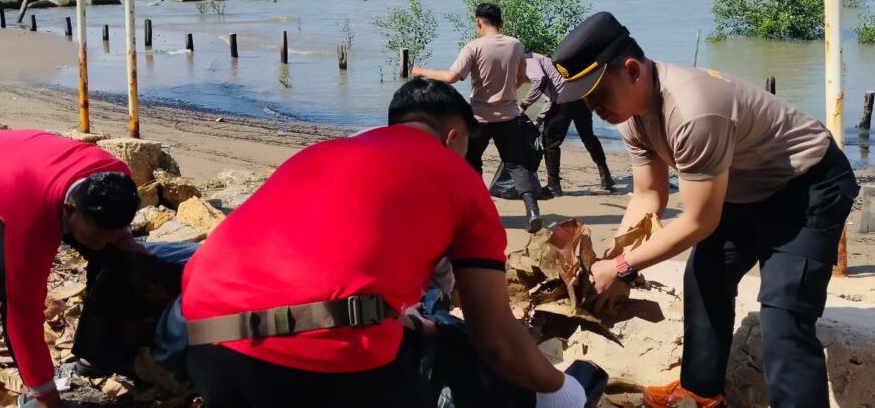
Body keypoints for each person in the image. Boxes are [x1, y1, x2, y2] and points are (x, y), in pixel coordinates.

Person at [180, 78, 586, 408]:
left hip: (204, 342)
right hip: (318, 364)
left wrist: (405, 322)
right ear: (453, 137)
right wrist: (562, 390)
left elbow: (321, 272)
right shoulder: (458, 178)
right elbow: (496, 337)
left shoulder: (321, 153)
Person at [550, 12, 860, 408]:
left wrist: (624, 267)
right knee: (704, 278)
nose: (592, 107)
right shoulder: (630, 117)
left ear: (631, 70)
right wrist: (612, 261)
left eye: (597, 93)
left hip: (809, 186)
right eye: (585, 98)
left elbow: (700, 220)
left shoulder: (693, 110)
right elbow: (648, 196)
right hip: (743, 188)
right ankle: (700, 393)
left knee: (784, 314)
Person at [0, 130, 142, 408]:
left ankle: (94, 355)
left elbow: (111, 237)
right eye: (98, 236)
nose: (105, 241)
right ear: (69, 210)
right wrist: (49, 400)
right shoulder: (32, 223)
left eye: (113, 232)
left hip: (19, 160)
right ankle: (34, 393)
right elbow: (24, 314)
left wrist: (125, 240)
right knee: (13, 289)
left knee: (113, 258)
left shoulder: (117, 177)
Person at [412, 3, 543, 232]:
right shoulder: (515, 45)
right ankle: (532, 210)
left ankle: (481, 211)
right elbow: (521, 78)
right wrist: (507, 94)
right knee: (516, 163)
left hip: (479, 117)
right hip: (509, 116)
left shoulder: (473, 47)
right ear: (501, 22)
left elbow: (451, 77)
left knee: (471, 163)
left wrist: (421, 71)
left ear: (478, 22)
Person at [519, 52, 615, 196]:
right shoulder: (548, 62)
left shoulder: (528, 60)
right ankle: (606, 177)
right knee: (588, 136)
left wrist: (524, 105)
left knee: (550, 141)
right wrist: (538, 120)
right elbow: (551, 98)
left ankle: (553, 186)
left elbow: (539, 81)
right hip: (580, 97)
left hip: (564, 100)